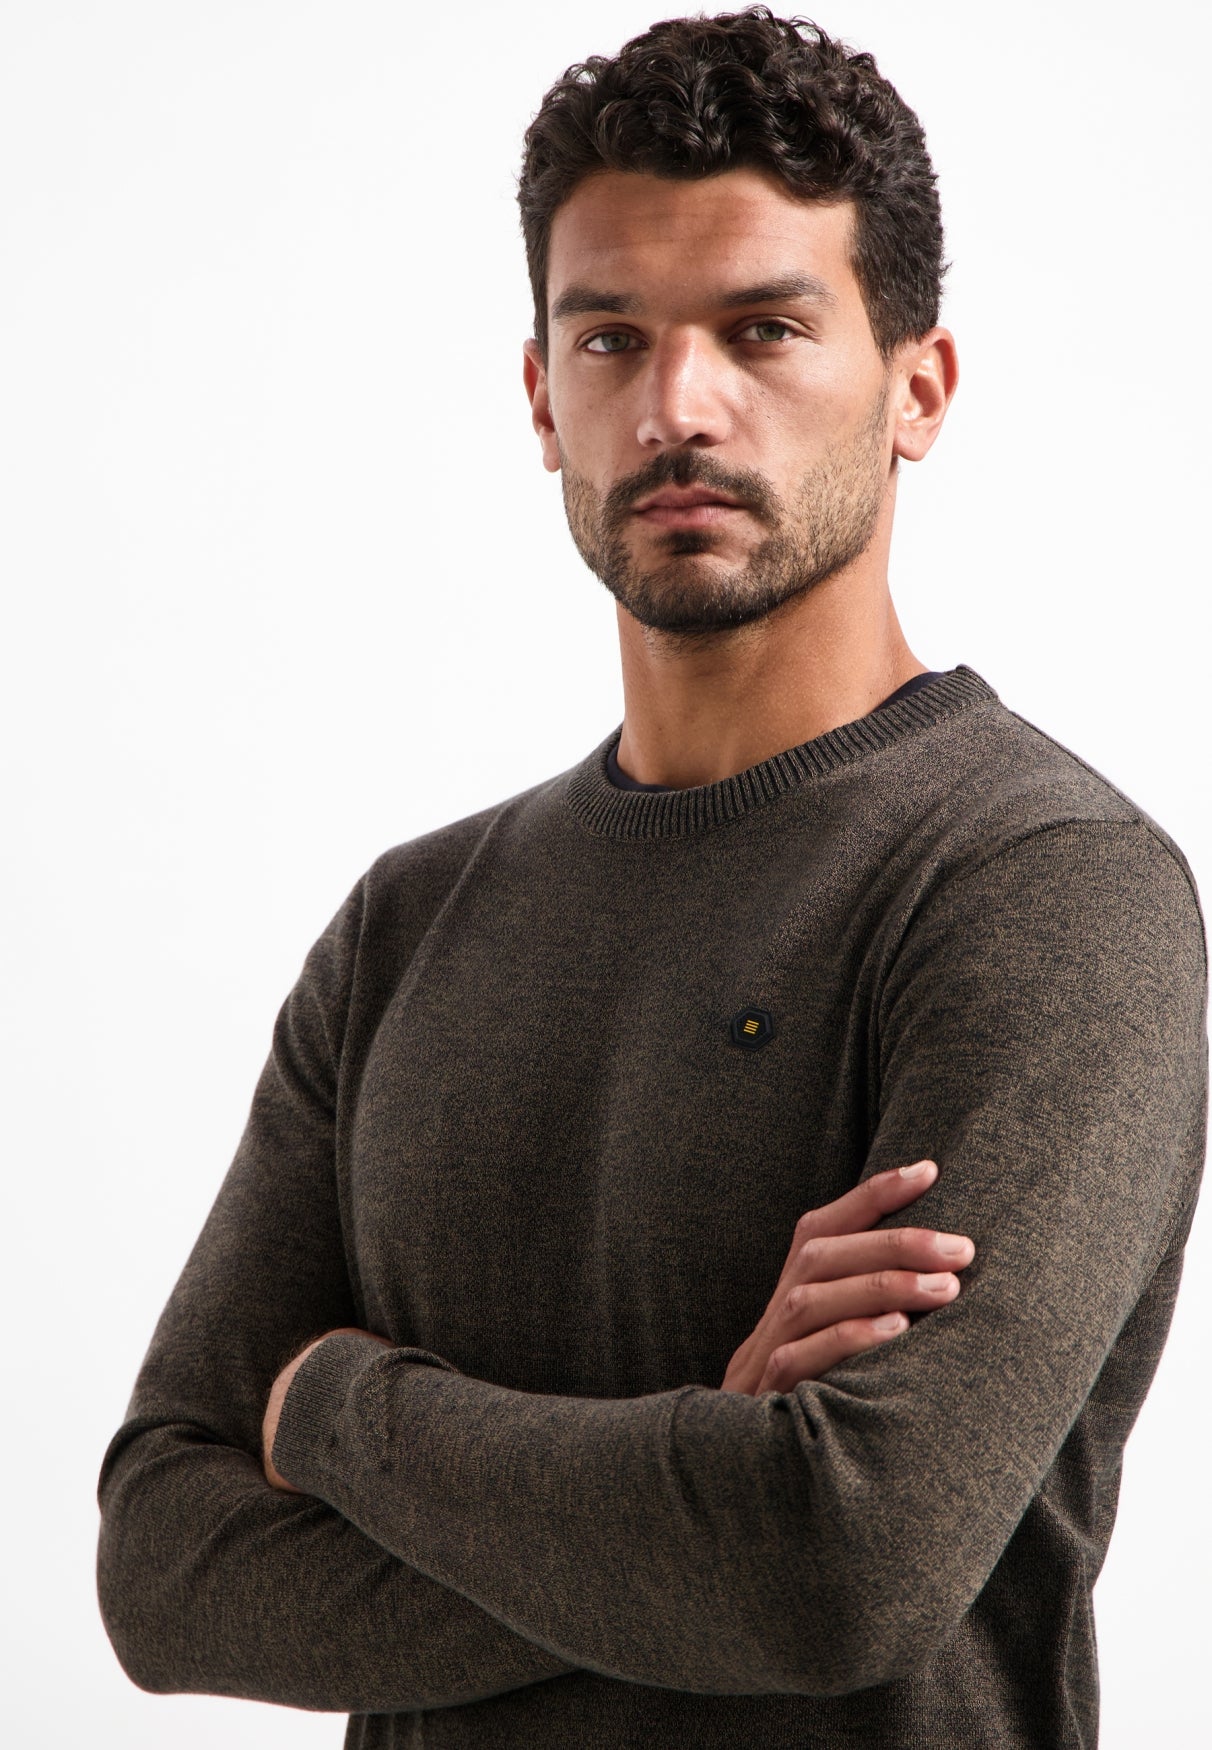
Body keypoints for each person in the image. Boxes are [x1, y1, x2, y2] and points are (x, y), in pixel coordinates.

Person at [96, 10, 1207, 1748]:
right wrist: (700, 1475)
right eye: (611, 337)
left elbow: (834, 1564)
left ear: (919, 387)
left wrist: (337, 1409)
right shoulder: (406, 926)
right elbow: (164, 1567)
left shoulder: (1042, 886)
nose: (678, 406)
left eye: (765, 329)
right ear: (544, 398)